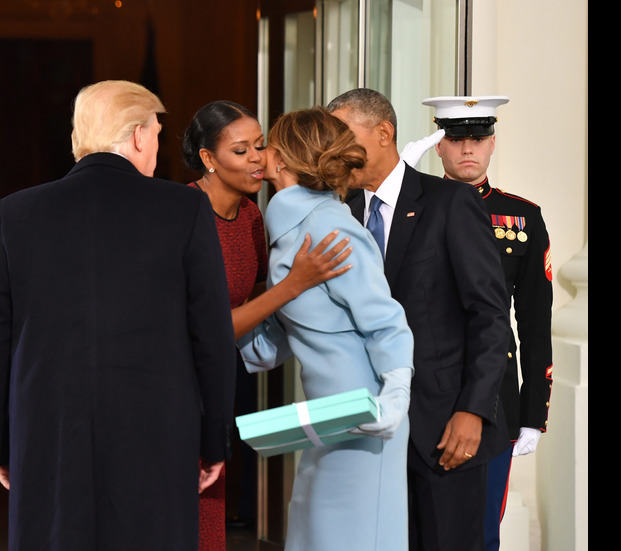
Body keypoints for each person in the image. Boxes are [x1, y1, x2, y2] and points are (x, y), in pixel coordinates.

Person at [0, 80, 237, 551]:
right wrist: (214, 439)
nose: (157, 145)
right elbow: (212, 336)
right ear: (138, 135)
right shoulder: (184, 208)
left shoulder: (14, 213)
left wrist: (1, 443)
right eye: (158, 133)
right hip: (158, 429)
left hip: (47, 430)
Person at [328, 88, 511, 551]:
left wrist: (473, 411)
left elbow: (489, 316)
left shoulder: (449, 203)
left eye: (342, 137)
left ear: (384, 133)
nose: (333, 152)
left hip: (444, 430)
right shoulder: (340, 213)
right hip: (367, 434)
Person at [238, 107, 414, 550]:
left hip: (365, 414)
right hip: (324, 418)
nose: (259, 154)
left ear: (281, 160)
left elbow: (385, 319)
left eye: (266, 145)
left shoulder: (330, 227)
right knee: (315, 535)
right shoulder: (290, 226)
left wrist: (394, 396)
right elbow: (293, 330)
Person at [181, 100, 352, 549]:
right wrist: (295, 285)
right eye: (241, 151)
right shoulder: (180, 214)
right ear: (207, 159)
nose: (258, 159)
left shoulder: (255, 216)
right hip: (177, 384)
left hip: (221, 380)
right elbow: (203, 326)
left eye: (260, 146)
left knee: (210, 508)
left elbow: (257, 299)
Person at [422, 95, 553, 551]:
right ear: (439, 146)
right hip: (422, 388)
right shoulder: (414, 209)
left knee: (480, 531)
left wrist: (534, 412)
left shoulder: (522, 217)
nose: (467, 149)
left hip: (493, 396)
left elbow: (535, 321)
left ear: (493, 143)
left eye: (478, 138)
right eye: (455, 139)